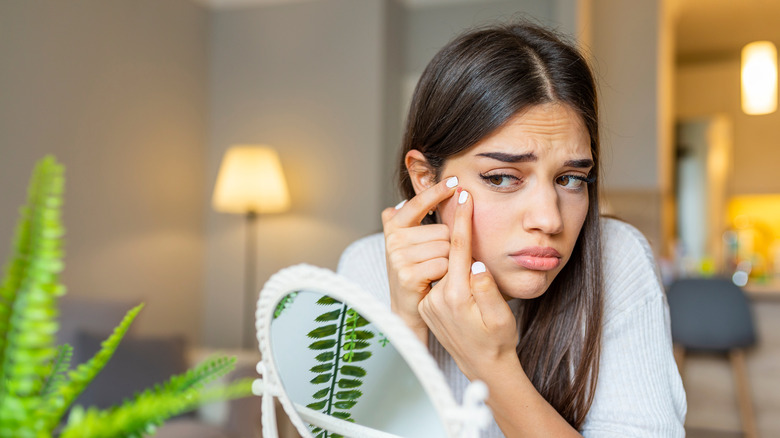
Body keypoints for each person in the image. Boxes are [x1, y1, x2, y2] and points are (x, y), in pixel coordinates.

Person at [338, 20, 686, 437]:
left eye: (571, 179)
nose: (550, 219)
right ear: (426, 179)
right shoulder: (368, 269)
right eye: (502, 177)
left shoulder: (616, 258)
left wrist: (492, 365)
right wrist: (406, 333)